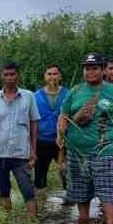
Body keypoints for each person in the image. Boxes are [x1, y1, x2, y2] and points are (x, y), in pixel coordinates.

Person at [57, 53, 113, 224]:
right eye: (87, 68)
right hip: (77, 153)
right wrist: (61, 134)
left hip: (105, 152)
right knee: (81, 194)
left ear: (103, 70)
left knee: (108, 196)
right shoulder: (76, 91)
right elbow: (64, 116)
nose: (90, 72)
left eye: (95, 68)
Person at [0, 62, 40, 217]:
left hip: (21, 153)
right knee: (4, 191)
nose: (9, 78)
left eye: (12, 74)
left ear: (18, 75)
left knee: (28, 191)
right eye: (6, 74)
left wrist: (33, 150)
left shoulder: (28, 96)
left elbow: (34, 123)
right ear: (2, 76)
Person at [33, 63, 70, 195]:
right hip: (42, 141)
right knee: (40, 175)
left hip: (64, 142)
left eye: (55, 74)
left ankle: (68, 203)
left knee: (66, 172)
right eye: (49, 74)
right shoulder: (36, 96)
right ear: (44, 77)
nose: (52, 77)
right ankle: (42, 205)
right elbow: (32, 120)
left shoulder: (68, 94)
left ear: (60, 76)